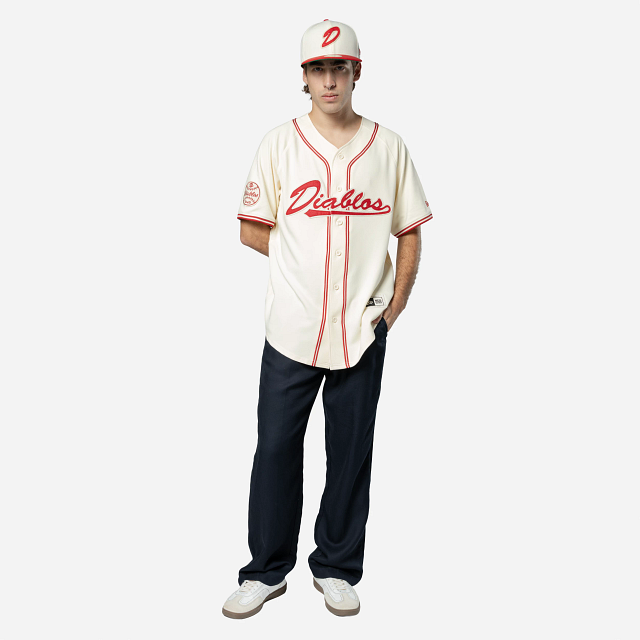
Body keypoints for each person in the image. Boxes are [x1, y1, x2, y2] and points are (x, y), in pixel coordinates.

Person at [222, 19, 433, 619]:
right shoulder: (279, 143)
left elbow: (410, 231)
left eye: (339, 67)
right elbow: (251, 229)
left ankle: (336, 567)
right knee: (275, 449)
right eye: (318, 69)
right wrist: (303, 262)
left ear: (355, 73)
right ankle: (265, 571)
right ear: (305, 78)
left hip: (362, 329)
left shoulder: (388, 146)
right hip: (291, 327)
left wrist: (393, 308)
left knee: (350, 454)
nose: (329, 80)